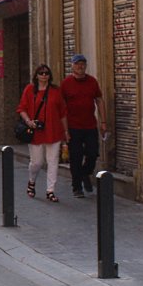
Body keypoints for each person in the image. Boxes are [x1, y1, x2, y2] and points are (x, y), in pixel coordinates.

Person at [17, 64, 68, 202]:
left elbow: (63, 113)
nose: (44, 75)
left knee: (53, 162)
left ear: (50, 76)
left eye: (46, 73)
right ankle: (32, 181)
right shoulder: (29, 90)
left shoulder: (56, 91)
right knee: (37, 162)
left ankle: (50, 190)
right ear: (36, 75)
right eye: (41, 73)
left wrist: (66, 132)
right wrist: (28, 121)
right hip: (36, 132)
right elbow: (22, 108)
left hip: (54, 131)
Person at [61, 54, 107, 198]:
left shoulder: (92, 82)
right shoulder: (66, 83)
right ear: (72, 66)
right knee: (76, 157)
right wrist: (64, 130)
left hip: (90, 125)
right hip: (73, 127)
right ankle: (77, 187)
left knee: (92, 154)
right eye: (77, 64)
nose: (80, 66)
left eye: (83, 64)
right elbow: (61, 108)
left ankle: (85, 173)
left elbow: (99, 100)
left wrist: (103, 122)